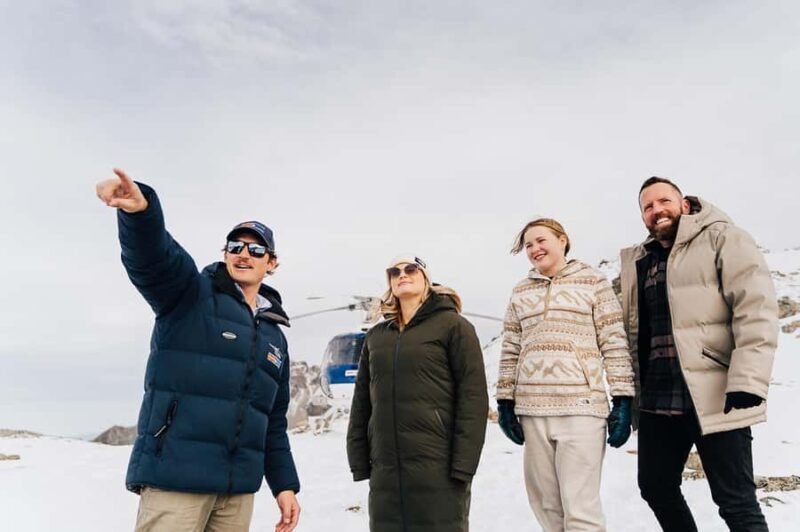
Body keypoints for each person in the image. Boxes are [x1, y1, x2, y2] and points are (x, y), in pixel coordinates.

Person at [95, 169, 301, 532]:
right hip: (176, 479)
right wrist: (140, 213)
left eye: (256, 249)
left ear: (271, 264)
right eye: (235, 246)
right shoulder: (190, 295)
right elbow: (154, 261)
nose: (243, 254)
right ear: (224, 254)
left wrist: (284, 485)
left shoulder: (274, 337)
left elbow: (272, 422)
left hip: (237, 492)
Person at [621, 177, 778, 531]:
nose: (656, 210)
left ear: (684, 203)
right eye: (647, 206)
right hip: (658, 401)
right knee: (656, 487)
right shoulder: (640, 260)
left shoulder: (723, 238)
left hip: (716, 395)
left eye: (664, 201)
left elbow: (756, 310)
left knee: (736, 502)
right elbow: (635, 333)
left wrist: (748, 379)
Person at [496, 218, 636, 532]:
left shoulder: (593, 282)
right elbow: (510, 350)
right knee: (547, 508)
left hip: (581, 410)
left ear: (562, 240)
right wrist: (505, 402)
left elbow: (613, 342)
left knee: (580, 511)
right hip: (533, 412)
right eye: (528, 245)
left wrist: (623, 400)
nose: (534, 249)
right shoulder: (520, 291)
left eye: (541, 240)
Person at [346, 255, 489, 532]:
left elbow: (473, 398)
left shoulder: (454, 326)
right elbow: (362, 400)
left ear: (426, 278)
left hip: (439, 468)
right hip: (385, 471)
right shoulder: (376, 337)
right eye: (394, 271)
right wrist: (360, 458)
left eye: (411, 269)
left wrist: (464, 465)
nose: (402, 274)